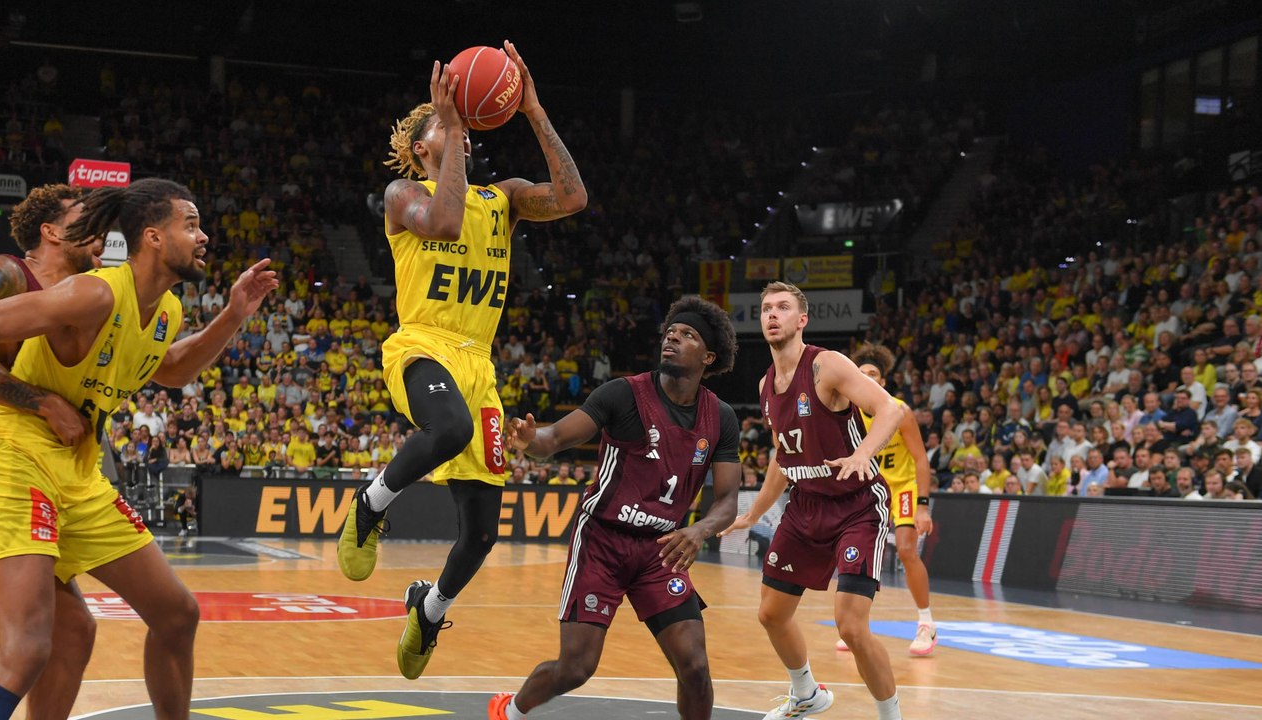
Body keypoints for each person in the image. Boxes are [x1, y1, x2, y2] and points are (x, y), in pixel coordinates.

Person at [336, 40, 587, 680]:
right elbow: (444, 224)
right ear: (421, 147)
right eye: (441, 130)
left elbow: (572, 197)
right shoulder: (400, 196)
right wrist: (450, 121)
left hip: (479, 365)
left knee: (480, 533)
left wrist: (532, 110)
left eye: (462, 129)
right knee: (448, 431)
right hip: (423, 344)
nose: (460, 134)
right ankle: (369, 506)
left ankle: (429, 608)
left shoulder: (501, 201)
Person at [0, 178, 277, 719]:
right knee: (27, 647)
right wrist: (40, 401)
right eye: (191, 225)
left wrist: (234, 314)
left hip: (79, 474)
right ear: (153, 237)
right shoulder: (92, 292)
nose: (204, 236)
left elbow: (173, 369)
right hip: (16, 458)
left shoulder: (167, 310)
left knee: (174, 614)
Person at [490, 297, 741, 720]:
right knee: (576, 668)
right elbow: (552, 441)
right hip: (602, 543)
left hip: (663, 549)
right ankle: (510, 711)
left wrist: (700, 530)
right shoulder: (623, 394)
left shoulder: (721, 417)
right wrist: (529, 440)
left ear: (709, 356)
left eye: (688, 335)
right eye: (671, 332)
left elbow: (728, 500)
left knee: (695, 667)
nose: (673, 338)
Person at [722, 282, 904, 720]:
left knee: (851, 626)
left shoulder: (827, 366)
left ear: (801, 320)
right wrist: (755, 512)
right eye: (766, 308)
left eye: (783, 308)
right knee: (771, 614)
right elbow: (784, 459)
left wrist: (863, 454)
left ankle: (891, 716)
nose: (772, 314)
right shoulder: (767, 383)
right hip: (805, 508)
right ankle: (807, 694)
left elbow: (891, 410)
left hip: (857, 505)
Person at [0, 183, 103, 720]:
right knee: (28, 644)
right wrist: (41, 403)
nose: (101, 226)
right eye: (85, 216)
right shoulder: (5, 273)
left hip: (19, 465)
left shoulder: (86, 296)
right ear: (51, 232)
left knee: (72, 628)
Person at [840, 344, 937, 656]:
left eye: (873, 374)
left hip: (904, 487)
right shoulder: (847, 415)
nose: (867, 378)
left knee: (907, 549)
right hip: (871, 489)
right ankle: (857, 626)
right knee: (860, 556)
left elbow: (921, 460)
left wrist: (922, 504)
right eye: (861, 374)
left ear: (881, 383)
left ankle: (926, 624)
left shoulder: (899, 410)